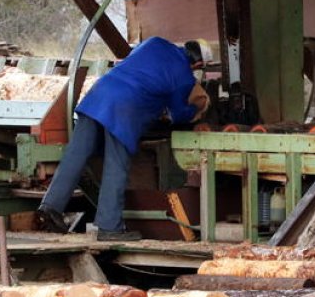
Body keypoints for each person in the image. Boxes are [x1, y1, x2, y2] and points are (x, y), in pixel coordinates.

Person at [37, 37, 209, 240]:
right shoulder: (185, 77)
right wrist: (198, 108)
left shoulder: (154, 42)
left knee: (76, 154)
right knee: (116, 165)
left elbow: (132, 63)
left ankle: (51, 206)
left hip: (98, 95)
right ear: (198, 64)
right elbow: (178, 113)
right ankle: (109, 227)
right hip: (124, 108)